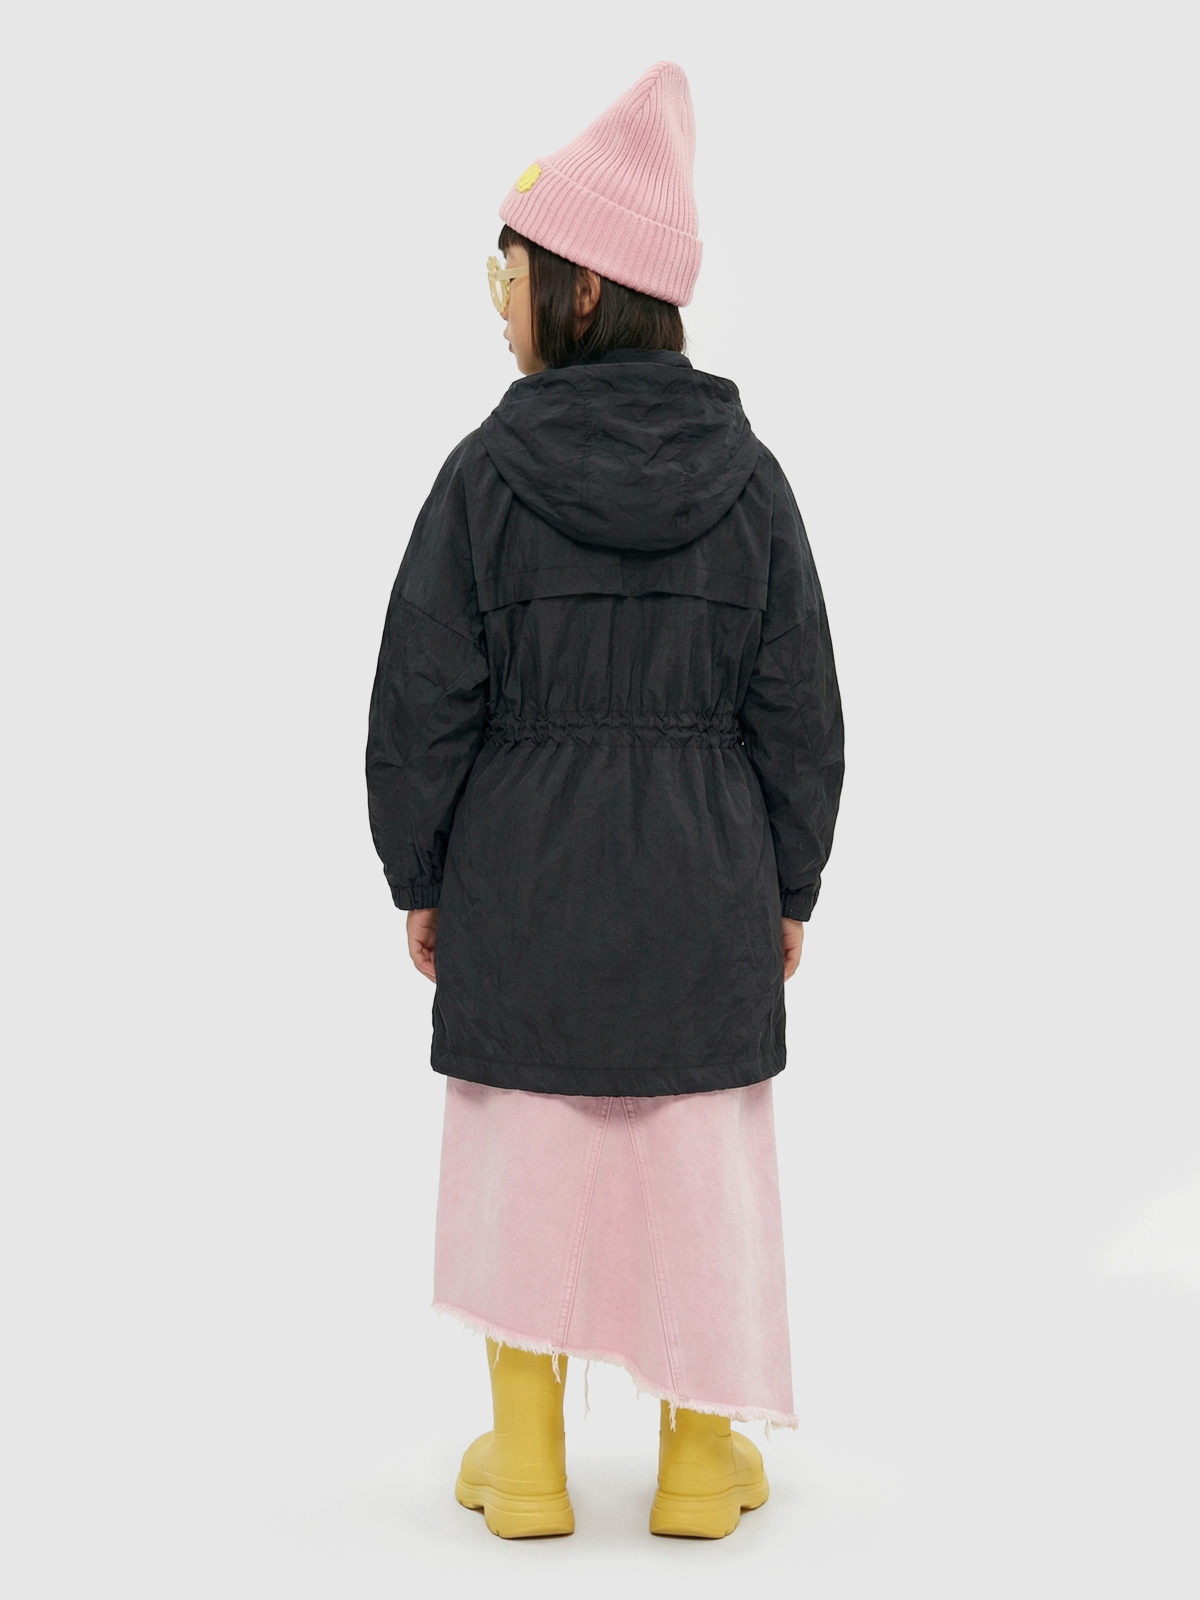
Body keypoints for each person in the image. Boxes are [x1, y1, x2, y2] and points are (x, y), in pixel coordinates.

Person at [366, 60, 844, 1540]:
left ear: (583, 291)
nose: (496, 300)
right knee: (699, 1176)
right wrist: (790, 884)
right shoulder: (751, 481)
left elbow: (421, 693)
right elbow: (800, 704)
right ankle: (699, 1464)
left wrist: (420, 872)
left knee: (523, 1165)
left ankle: (526, 1465)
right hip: (705, 886)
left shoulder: (482, 478)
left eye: (509, 272)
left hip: (522, 884)